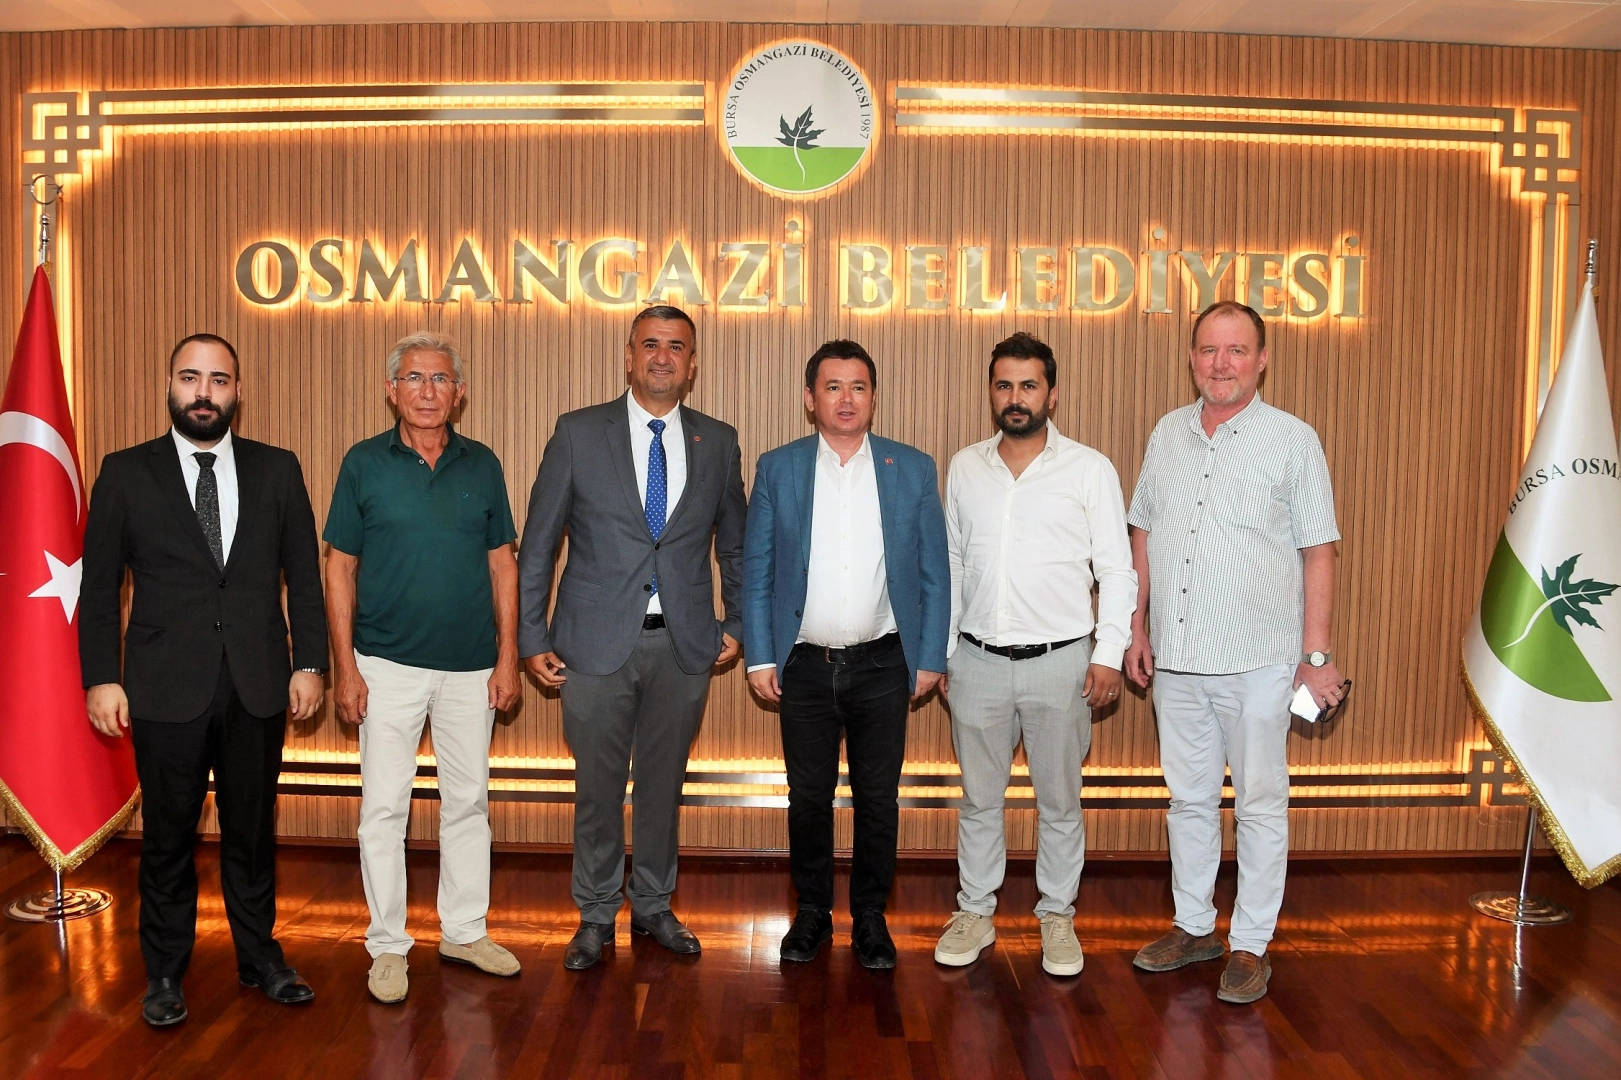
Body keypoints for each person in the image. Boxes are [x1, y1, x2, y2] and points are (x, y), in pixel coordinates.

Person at [81, 333, 326, 1027]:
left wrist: (310, 663)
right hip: (163, 688)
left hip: (257, 682)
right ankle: (163, 972)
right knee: (168, 837)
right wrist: (101, 678)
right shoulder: (125, 472)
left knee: (252, 833)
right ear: (170, 386)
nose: (204, 392)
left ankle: (260, 958)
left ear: (237, 392)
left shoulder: (277, 469)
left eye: (218, 380)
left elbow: (304, 578)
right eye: (190, 378)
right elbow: (98, 590)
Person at [1124, 301, 1343, 1004]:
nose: (1220, 364)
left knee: (1259, 806)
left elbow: (1318, 550)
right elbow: (1141, 533)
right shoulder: (1166, 433)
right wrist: (1135, 628)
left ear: (1261, 359)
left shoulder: (1293, 440)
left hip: (1261, 662)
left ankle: (1250, 944)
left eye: (1236, 350)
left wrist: (1315, 657)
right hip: (1177, 658)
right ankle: (1194, 928)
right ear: (1192, 358)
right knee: (1187, 801)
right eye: (1208, 350)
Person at [518, 304, 746, 971]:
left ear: (692, 363)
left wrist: (736, 623)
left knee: (662, 785)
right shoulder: (577, 432)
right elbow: (539, 544)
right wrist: (531, 636)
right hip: (591, 645)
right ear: (628, 355)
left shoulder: (718, 440)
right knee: (597, 787)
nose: (662, 357)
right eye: (650, 344)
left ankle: (652, 903)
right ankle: (595, 913)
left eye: (676, 347)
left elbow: (735, 545)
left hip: (684, 644)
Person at [324, 331, 522, 1004]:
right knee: (384, 809)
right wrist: (346, 669)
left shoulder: (483, 463)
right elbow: (339, 569)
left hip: (471, 670)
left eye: (440, 379)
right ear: (392, 390)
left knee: (468, 804)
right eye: (413, 378)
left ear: (459, 393)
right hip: (384, 666)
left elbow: (503, 566)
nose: (427, 391)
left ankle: (464, 932)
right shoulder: (362, 464)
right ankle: (387, 945)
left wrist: (507, 658)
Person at [742, 339, 950, 970]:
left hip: (884, 663)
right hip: (803, 665)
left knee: (878, 798)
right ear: (811, 399)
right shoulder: (778, 468)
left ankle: (870, 917)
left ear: (873, 397)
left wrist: (932, 655)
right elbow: (758, 569)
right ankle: (811, 912)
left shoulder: (911, 468)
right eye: (832, 387)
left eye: (858, 386)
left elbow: (935, 572)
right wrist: (759, 656)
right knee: (807, 797)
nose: (846, 399)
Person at [934, 332, 1136, 977]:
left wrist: (1109, 653)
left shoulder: (1089, 469)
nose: (1015, 397)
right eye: (1004, 385)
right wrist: (944, 651)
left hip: (1063, 663)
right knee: (978, 801)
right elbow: (952, 565)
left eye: (1029, 385)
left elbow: (1117, 570)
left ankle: (1057, 914)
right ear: (990, 392)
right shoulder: (965, 467)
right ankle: (975, 911)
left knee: (1060, 802)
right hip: (977, 662)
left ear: (1052, 393)